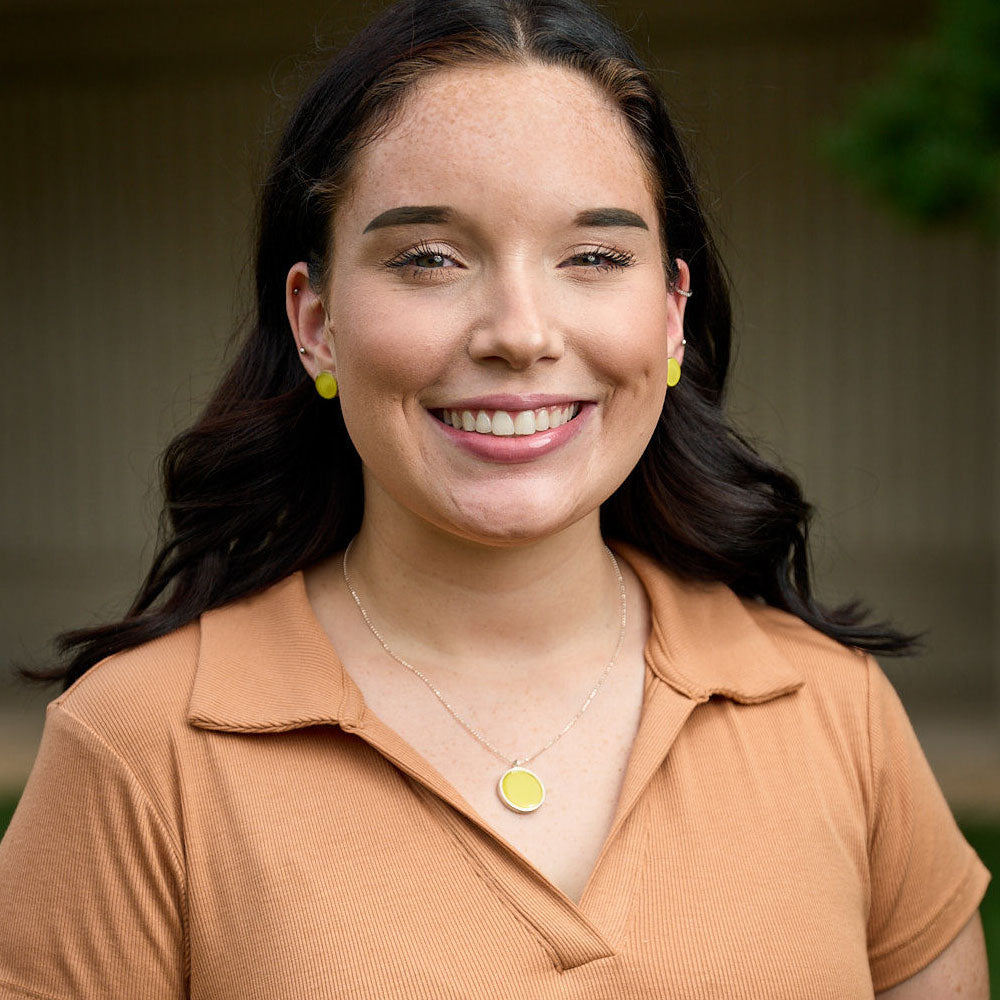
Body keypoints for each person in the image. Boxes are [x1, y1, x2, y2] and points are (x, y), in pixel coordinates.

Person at [0, 0, 990, 996]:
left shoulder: (833, 706)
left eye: (593, 256)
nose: (518, 332)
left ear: (670, 315)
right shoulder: (138, 743)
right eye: (428, 257)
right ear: (316, 323)